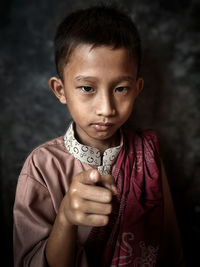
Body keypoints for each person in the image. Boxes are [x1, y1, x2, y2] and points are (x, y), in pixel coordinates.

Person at [13, 4, 185, 267]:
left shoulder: (149, 157)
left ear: (137, 88)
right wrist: (66, 218)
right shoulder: (41, 167)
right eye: (86, 88)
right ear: (60, 90)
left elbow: (171, 251)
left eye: (120, 89)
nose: (106, 108)